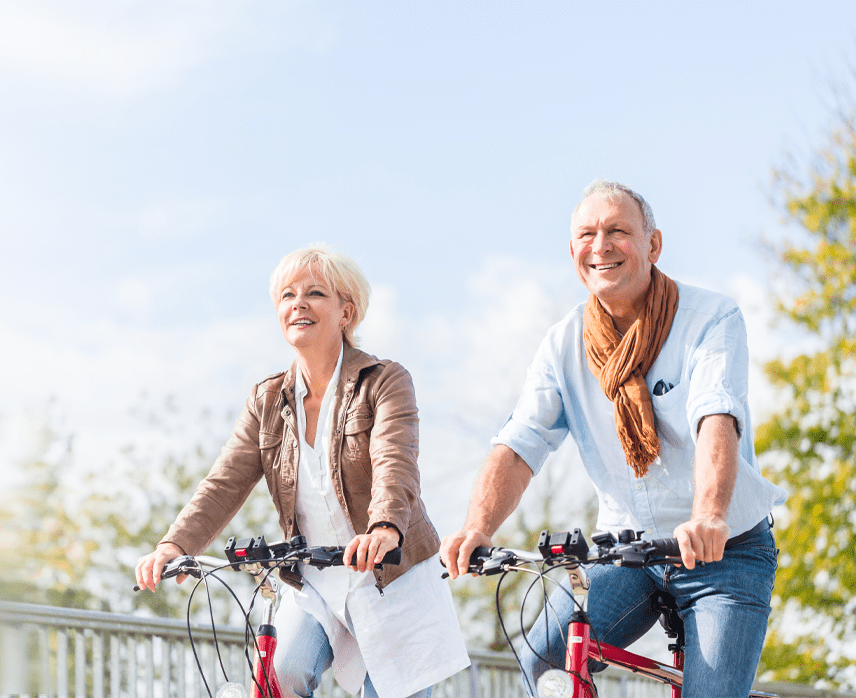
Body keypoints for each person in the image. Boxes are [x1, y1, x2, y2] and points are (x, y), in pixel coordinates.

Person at [438, 180, 788, 696]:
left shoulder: (710, 319)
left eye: (617, 231)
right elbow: (521, 441)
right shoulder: (563, 344)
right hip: (628, 551)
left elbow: (715, 416)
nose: (600, 246)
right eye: (586, 234)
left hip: (724, 552)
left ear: (654, 245)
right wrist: (477, 527)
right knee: (544, 661)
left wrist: (709, 515)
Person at [134, 245, 469, 698]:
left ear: (346, 311)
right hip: (314, 578)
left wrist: (386, 526)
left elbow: (396, 460)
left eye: (315, 293)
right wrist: (175, 544)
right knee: (281, 674)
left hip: (390, 574)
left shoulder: (384, 381)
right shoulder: (267, 400)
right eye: (287, 295)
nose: (298, 304)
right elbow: (225, 481)